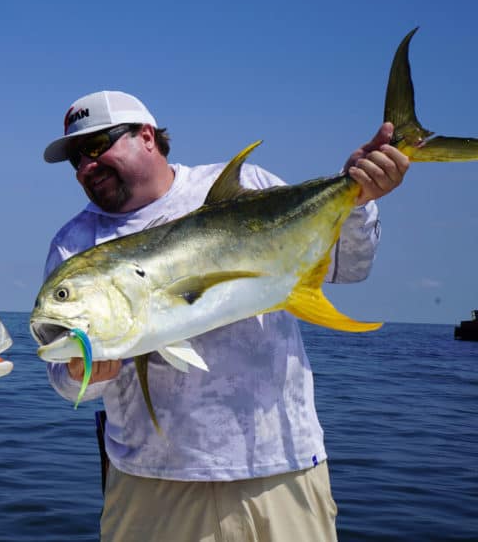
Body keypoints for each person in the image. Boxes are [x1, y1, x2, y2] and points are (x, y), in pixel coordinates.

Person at [40, 90, 409, 541]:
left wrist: (360, 196)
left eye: (97, 146)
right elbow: (61, 377)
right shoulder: (75, 243)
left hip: (278, 470)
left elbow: (348, 267)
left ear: (147, 136)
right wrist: (86, 373)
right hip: (149, 484)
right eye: (76, 157)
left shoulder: (247, 184)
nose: (85, 166)